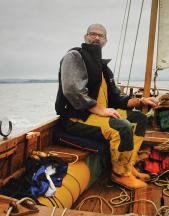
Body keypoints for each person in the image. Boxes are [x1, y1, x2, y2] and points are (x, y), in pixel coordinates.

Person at [55, 23, 159, 189]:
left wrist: (141, 101)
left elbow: (117, 99)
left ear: (105, 41)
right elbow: (72, 90)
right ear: (85, 37)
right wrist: (100, 110)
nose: (96, 37)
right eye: (92, 34)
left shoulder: (103, 68)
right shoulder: (75, 56)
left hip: (98, 115)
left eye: (100, 35)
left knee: (139, 119)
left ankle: (128, 165)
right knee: (121, 127)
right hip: (77, 118)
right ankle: (119, 174)